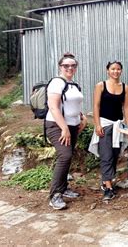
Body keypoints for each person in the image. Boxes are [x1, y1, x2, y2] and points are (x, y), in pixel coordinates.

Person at [46, 52, 87, 210]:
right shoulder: (56, 83)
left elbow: (74, 105)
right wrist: (64, 128)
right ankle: (55, 195)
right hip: (57, 125)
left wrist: (82, 118)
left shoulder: (73, 85)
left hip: (73, 125)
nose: (70, 68)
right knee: (65, 155)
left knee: (67, 157)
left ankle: (63, 188)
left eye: (73, 65)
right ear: (60, 67)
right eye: (66, 65)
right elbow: (53, 107)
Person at [89, 61, 128, 201]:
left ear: (121, 71)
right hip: (105, 124)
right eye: (113, 69)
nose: (115, 71)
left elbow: (126, 107)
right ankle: (108, 187)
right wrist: (97, 124)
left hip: (118, 125)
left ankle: (107, 180)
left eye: (118, 69)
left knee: (114, 154)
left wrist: (127, 125)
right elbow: (96, 105)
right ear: (108, 70)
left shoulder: (125, 87)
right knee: (106, 155)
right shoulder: (101, 85)